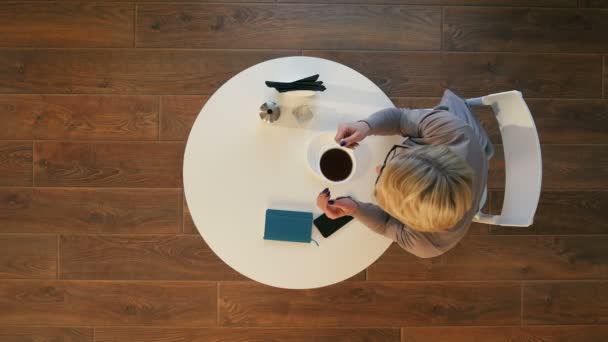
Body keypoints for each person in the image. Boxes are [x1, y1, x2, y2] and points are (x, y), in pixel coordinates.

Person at [316, 90, 494, 258]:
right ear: (426, 153)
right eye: (395, 160)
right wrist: (366, 126)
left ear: (409, 221)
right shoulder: (451, 131)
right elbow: (401, 118)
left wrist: (356, 209)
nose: (378, 169)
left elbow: (387, 225)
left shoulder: (427, 244)